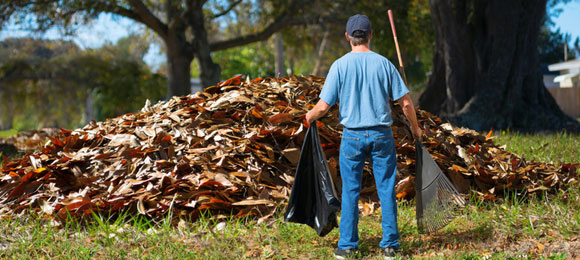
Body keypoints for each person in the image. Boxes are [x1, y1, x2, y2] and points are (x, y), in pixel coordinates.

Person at [305, 14, 423, 260]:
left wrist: (308, 117)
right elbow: (406, 104)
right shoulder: (384, 64)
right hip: (382, 135)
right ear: (370, 35)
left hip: (352, 138)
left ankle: (348, 246)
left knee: (350, 190)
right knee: (386, 189)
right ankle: (390, 245)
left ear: (348, 37)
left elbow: (323, 108)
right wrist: (416, 128)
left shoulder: (339, 66)